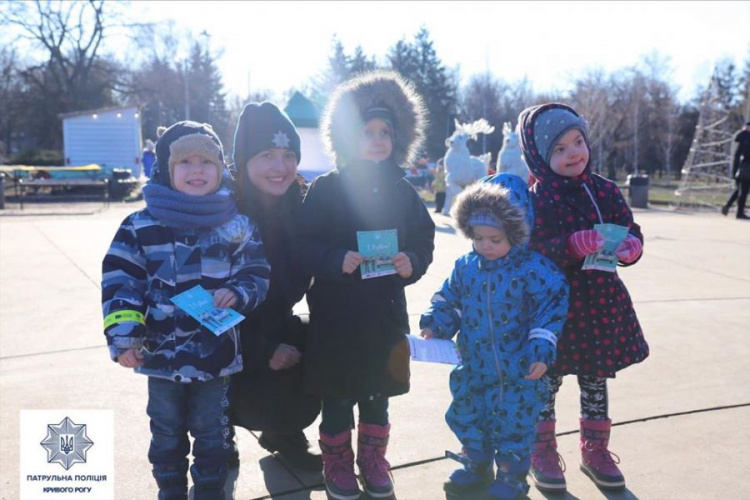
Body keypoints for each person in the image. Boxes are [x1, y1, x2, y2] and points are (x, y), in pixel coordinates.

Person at [101, 121, 270, 500]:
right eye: (186, 162)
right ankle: (171, 488)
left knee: (212, 431)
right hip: (159, 357)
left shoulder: (238, 224)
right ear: (166, 170)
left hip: (216, 356)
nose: (197, 170)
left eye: (207, 162)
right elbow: (121, 281)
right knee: (165, 430)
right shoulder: (140, 226)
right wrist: (125, 337)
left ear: (221, 169)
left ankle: (210, 490)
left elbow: (256, 270)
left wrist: (238, 292)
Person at [297, 71, 435, 500]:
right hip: (337, 318)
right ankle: (336, 461)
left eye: (385, 132)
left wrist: (411, 262)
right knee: (337, 395)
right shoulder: (326, 189)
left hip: (383, 315)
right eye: (367, 132)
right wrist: (334, 259)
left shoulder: (403, 191)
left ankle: (373, 458)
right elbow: (304, 243)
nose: (377, 140)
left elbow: (423, 240)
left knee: (378, 393)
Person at [517, 103, 649, 492]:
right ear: (540, 156)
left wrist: (631, 248)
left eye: (578, 142)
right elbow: (530, 250)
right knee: (546, 380)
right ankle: (540, 450)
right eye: (559, 149)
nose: (573, 153)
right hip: (553, 308)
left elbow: (632, 229)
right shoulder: (535, 198)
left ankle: (595, 449)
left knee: (595, 377)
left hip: (599, 303)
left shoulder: (604, 190)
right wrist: (571, 244)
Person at [419, 178, 569, 500]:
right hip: (474, 364)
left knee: (515, 422)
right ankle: (476, 463)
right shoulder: (467, 267)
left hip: (517, 369)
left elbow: (549, 310)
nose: (485, 245)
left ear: (516, 234)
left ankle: (512, 475)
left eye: (495, 238)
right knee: (469, 411)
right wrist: (436, 324)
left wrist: (541, 349)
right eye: (478, 237)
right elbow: (449, 299)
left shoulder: (535, 271)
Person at [229, 101, 322, 471]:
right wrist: (260, 350)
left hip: (277, 320)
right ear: (244, 161)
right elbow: (197, 305)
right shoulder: (221, 213)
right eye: (266, 154)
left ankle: (281, 430)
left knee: (322, 336)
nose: (280, 167)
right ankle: (214, 429)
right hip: (222, 335)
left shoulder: (303, 207)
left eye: (288, 155)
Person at [721, 120, 750, 219]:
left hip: (740, 168)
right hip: (744, 168)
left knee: (739, 190)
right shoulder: (745, 138)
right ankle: (739, 212)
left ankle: (728, 206)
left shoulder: (741, 137)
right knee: (744, 191)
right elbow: (746, 154)